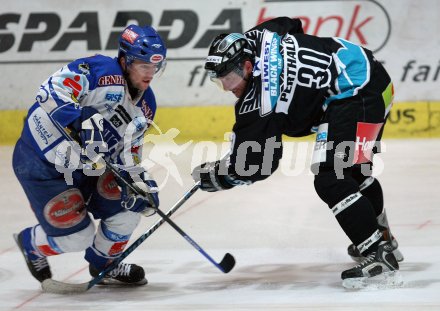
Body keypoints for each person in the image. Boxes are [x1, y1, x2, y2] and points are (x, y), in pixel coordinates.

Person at [192, 17, 404, 284]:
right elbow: (291, 24)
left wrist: (221, 176)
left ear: (247, 65)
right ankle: (382, 239)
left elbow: (257, 165)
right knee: (353, 173)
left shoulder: (259, 102)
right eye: (220, 82)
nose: (228, 88)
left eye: (231, 79)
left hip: (356, 92)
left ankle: (378, 255)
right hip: (374, 77)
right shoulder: (260, 36)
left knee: (332, 177)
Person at [12, 24, 166, 286]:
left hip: (89, 168)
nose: (150, 73)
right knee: (76, 237)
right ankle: (31, 243)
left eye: (155, 66)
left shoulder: (147, 105)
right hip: (43, 165)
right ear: (125, 60)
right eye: (143, 65)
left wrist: (138, 182)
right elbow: (50, 91)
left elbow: (129, 152)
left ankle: (104, 264)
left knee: (129, 208)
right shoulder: (100, 71)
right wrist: (76, 121)